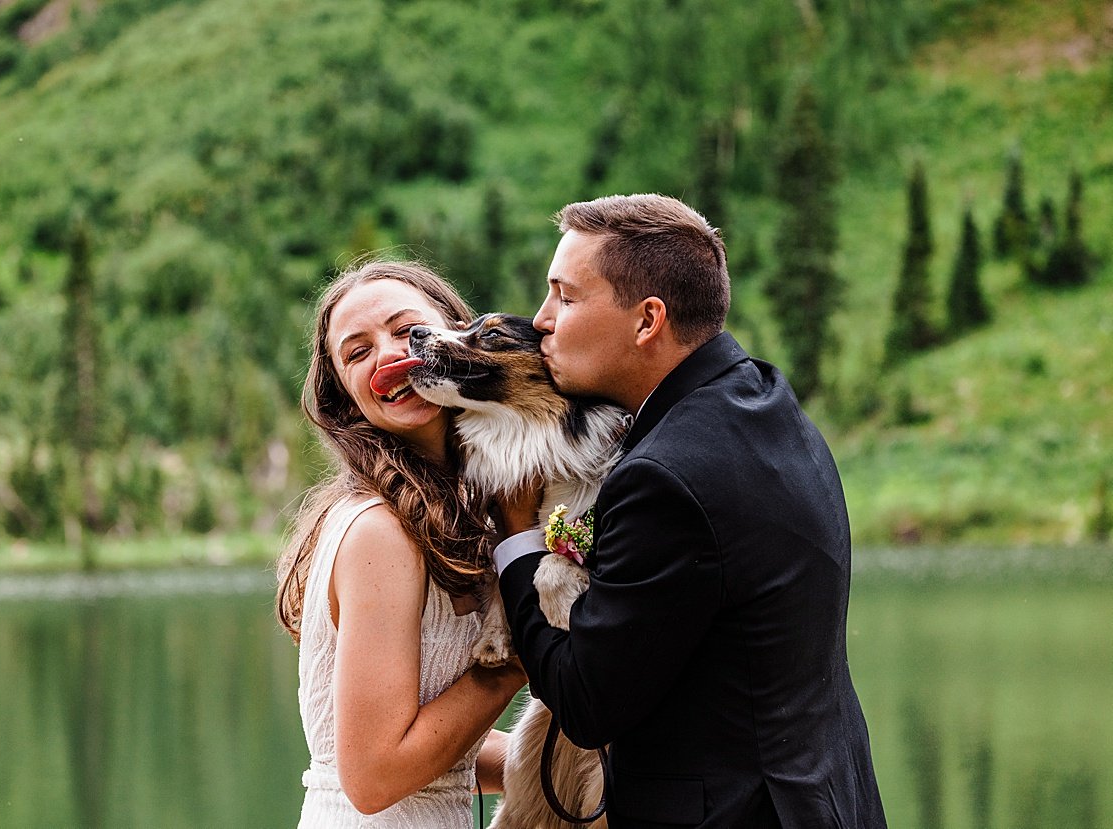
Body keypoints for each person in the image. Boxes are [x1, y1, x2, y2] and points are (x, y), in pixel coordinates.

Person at [492, 194, 887, 828]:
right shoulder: (764, 399)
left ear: (648, 320)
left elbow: (586, 703)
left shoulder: (662, 478)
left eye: (565, 297)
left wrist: (516, 537)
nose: (540, 320)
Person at [278, 260, 526, 827]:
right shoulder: (379, 531)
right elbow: (374, 778)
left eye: (407, 330)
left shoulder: (456, 515)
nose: (389, 355)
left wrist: (593, 773)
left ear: (459, 340)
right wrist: (523, 648)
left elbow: (441, 763)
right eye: (357, 352)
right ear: (346, 400)